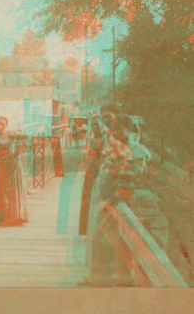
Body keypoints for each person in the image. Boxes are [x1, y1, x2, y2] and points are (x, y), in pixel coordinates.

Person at [87, 112, 136, 287]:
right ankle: (100, 278)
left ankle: (111, 279)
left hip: (114, 201)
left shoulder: (122, 151)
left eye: (118, 130)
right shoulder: (111, 148)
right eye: (113, 130)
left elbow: (125, 179)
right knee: (99, 238)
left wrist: (116, 198)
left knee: (110, 240)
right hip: (105, 198)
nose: (114, 133)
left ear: (128, 130)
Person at [0, 116, 29, 226]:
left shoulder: (10, 134)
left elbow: (24, 140)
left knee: (12, 189)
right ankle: (3, 216)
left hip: (12, 164)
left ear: (6, 125)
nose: (0, 126)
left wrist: (17, 152)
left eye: (2, 124)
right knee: (3, 189)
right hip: (1, 165)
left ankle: (14, 217)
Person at [79, 114, 104, 235]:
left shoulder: (104, 140)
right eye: (93, 125)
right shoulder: (93, 139)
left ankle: (94, 231)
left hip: (98, 174)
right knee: (87, 202)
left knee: (94, 203)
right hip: (90, 174)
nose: (95, 128)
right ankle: (86, 230)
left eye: (98, 125)